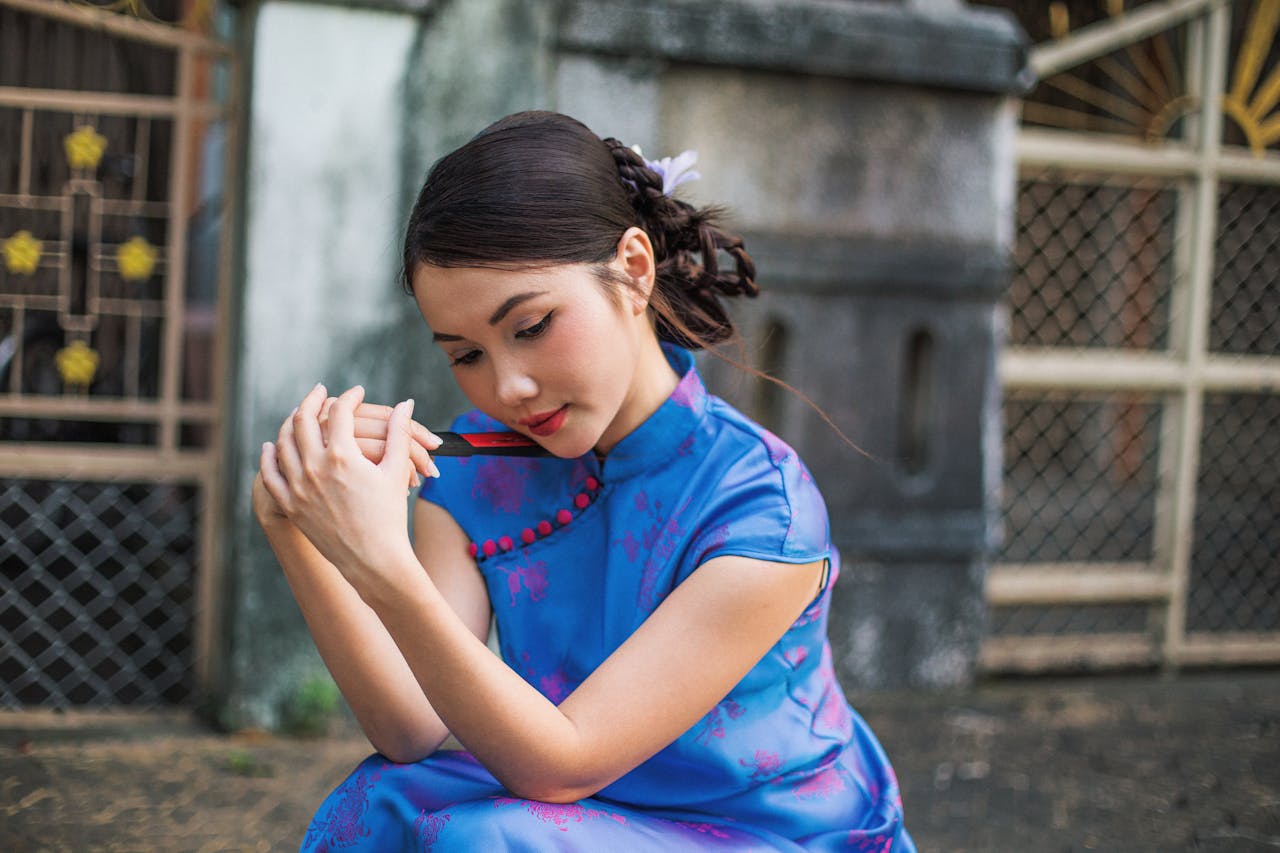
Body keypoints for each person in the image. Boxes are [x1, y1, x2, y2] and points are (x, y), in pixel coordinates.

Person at [254, 110, 914, 851]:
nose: (509, 386)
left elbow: (564, 764)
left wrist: (381, 563)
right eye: (465, 354)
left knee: (490, 837)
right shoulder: (475, 468)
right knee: (385, 794)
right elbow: (410, 727)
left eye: (531, 326)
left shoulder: (760, 506)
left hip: (766, 832)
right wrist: (295, 525)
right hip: (582, 812)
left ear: (633, 269)